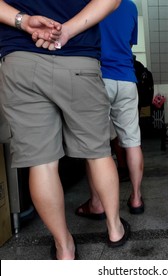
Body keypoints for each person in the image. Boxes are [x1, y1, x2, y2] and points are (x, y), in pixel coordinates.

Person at [0, 0, 129, 260]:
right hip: (78, 58)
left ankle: (64, 246)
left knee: (42, 163)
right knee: (98, 152)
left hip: (21, 59)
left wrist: (22, 21)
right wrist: (67, 30)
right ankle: (115, 229)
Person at [75, 0, 145, 218]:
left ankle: (97, 203)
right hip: (126, 79)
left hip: (98, 78)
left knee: (96, 145)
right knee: (132, 142)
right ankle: (136, 198)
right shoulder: (131, 7)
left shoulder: (89, 3)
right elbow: (129, 44)